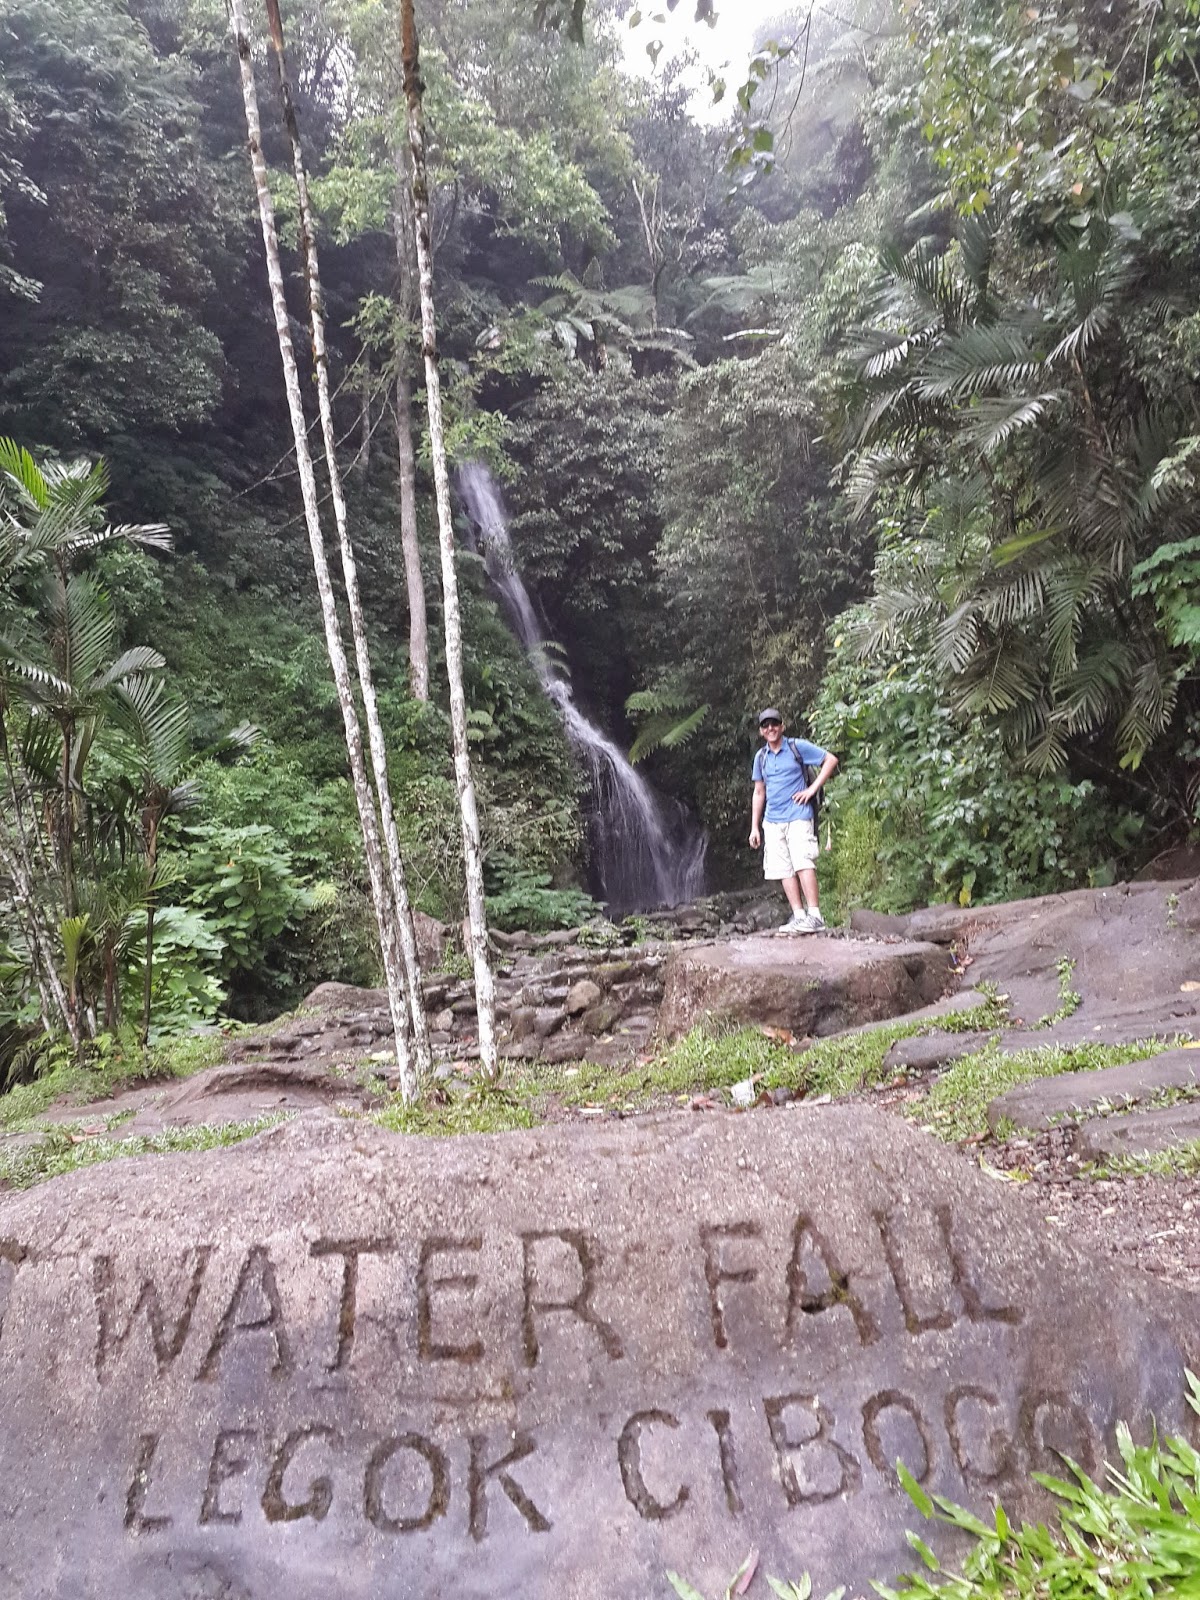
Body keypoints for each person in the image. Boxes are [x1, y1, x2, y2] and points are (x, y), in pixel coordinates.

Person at [748, 708, 838, 933]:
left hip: (798, 815)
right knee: (784, 869)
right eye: (766, 725)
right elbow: (759, 792)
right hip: (772, 820)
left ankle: (815, 916)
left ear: (782, 726)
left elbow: (830, 760)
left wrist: (811, 789)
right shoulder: (761, 757)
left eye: (774, 724)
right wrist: (754, 827)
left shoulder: (796, 747)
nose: (770, 728)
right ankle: (799, 916)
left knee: (803, 863)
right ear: (761, 731)